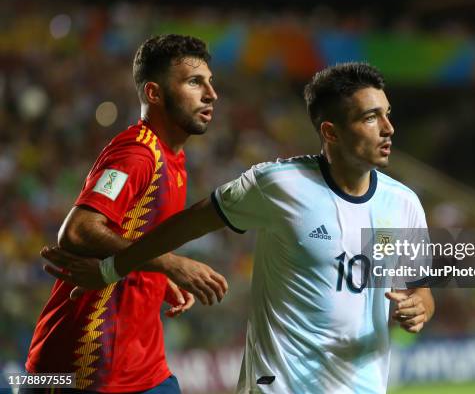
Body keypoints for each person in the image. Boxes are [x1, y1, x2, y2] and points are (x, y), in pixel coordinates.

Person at [42, 62, 435, 394]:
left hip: (364, 384)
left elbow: (421, 289)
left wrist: (420, 307)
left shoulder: (403, 204)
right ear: (330, 132)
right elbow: (188, 223)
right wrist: (114, 268)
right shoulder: (279, 184)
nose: (389, 128)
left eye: (387, 113)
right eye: (370, 117)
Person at [25, 34, 228, 393]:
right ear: (154, 93)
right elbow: (78, 230)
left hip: (145, 369)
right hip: (85, 366)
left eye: (210, 81)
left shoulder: (172, 157)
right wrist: (170, 264)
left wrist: (154, 277)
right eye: (195, 82)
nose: (211, 93)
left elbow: (134, 235)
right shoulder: (137, 153)